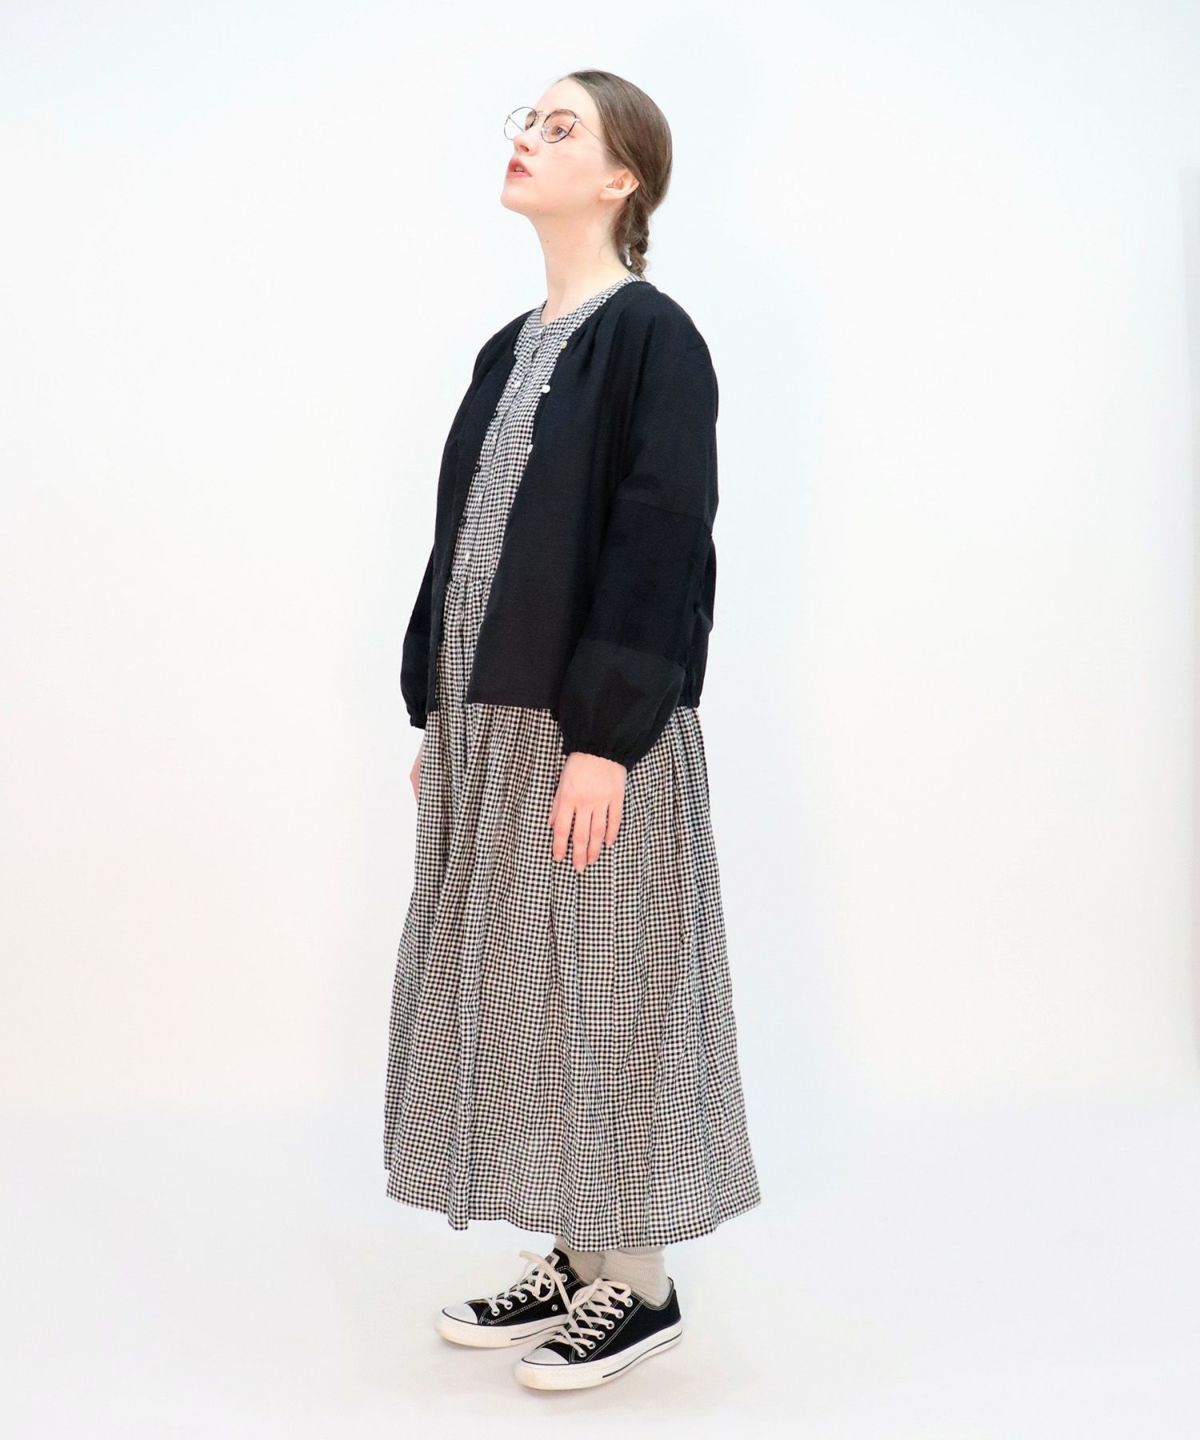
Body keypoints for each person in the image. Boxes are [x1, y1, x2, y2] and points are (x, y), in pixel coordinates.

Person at [383, 69, 762, 1391]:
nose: (527, 140)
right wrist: (440, 704)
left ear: (621, 178)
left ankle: (640, 1286)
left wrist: (606, 736)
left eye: (562, 128)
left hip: (591, 731)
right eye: (526, 122)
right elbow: (463, 536)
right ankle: (574, 1253)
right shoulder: (510, 346)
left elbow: (665, 534)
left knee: (611, 993)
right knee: (521, 997)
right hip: (492, 727)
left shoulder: (654, 336)